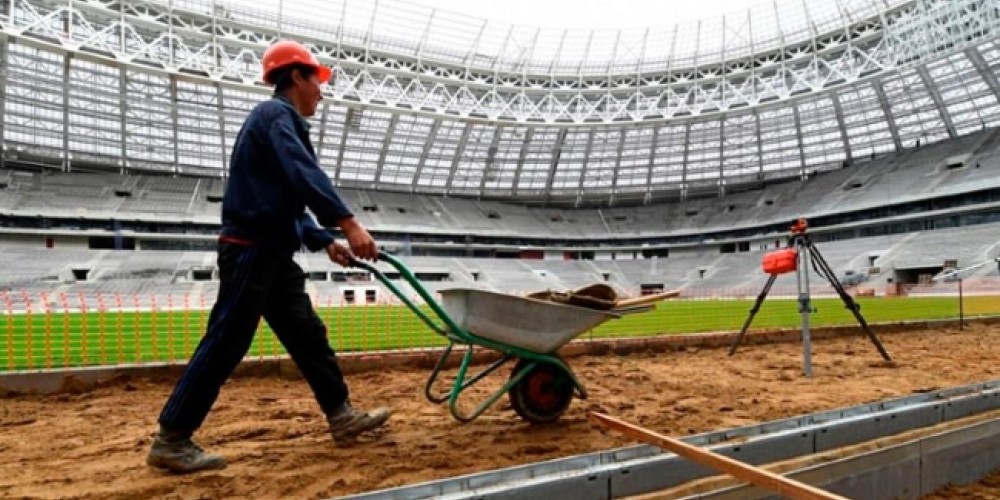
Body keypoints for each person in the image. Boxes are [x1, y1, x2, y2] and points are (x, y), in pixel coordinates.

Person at [147, 40, 391, 474]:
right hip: (251, 252)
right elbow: (302, 173)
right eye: (318, 80)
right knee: (226, 342)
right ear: (297, 76)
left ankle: (342, 416)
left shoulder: (276, 121)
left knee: (308, 336)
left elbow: (282, 199)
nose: (322, 91)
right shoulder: (276, 115)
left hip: (273, 254)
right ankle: (172, 439)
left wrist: (321, 239)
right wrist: (348, 224)